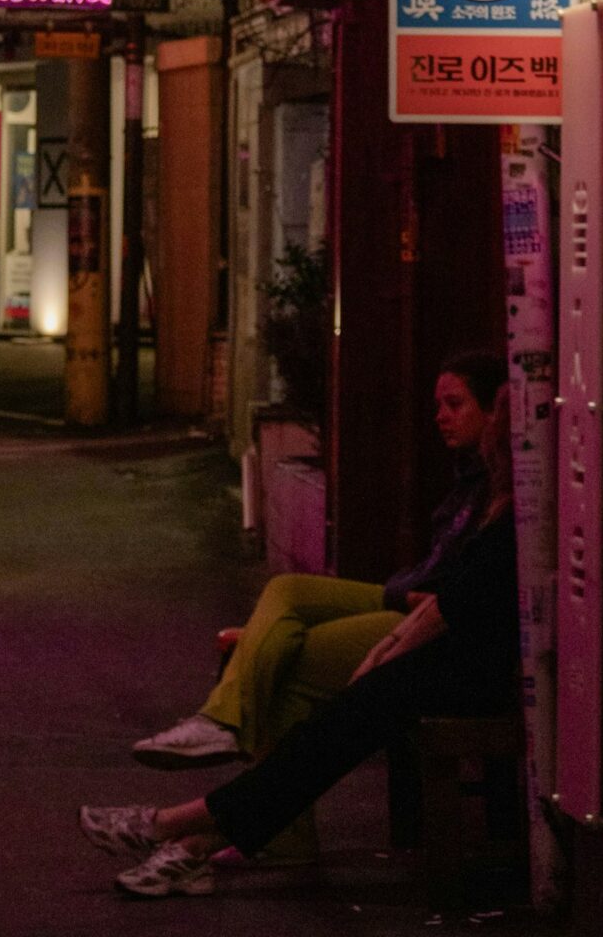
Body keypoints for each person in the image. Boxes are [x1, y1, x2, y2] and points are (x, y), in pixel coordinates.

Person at [79, 384, 518, 898]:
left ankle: (177, 824)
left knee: (325, 696)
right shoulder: (485, 496)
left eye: (467, 409)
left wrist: (386, 650)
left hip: (476, 663)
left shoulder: (512, 512)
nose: (453, 421)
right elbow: (451, 594)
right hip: (455, 651)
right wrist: (386, 649)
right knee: (307, 645)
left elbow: (451, 601)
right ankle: (195, 828)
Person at [131, 351, 506, 779]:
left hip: (437, 624)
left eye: (455, 405)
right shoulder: (470, 476)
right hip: (410, 597)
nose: (441, 417)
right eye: (439, 406)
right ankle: (219, 723)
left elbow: (463, 583)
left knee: (291, 662)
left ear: (496, 410)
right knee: (287, 589)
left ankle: (264, 813)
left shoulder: (502, 490)